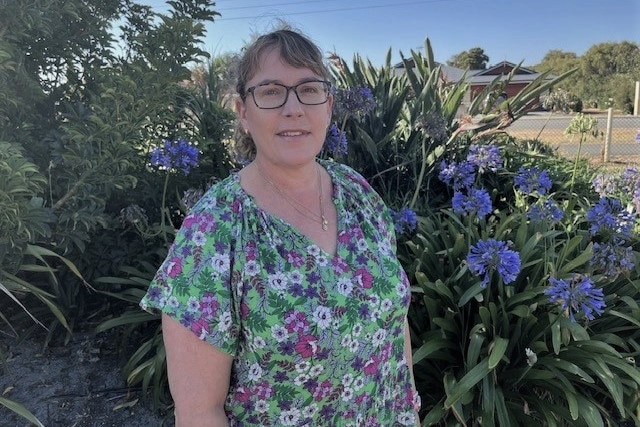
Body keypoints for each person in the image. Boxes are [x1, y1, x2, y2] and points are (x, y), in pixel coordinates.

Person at [140, 27, 420, 426]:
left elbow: (394, 321)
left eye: (309, 89)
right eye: (271, 91)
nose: (294, 108)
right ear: (242, 111)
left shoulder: (357, 192)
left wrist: (410, 406)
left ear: (328, 105)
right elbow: (199, 412)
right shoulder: (215, 229)